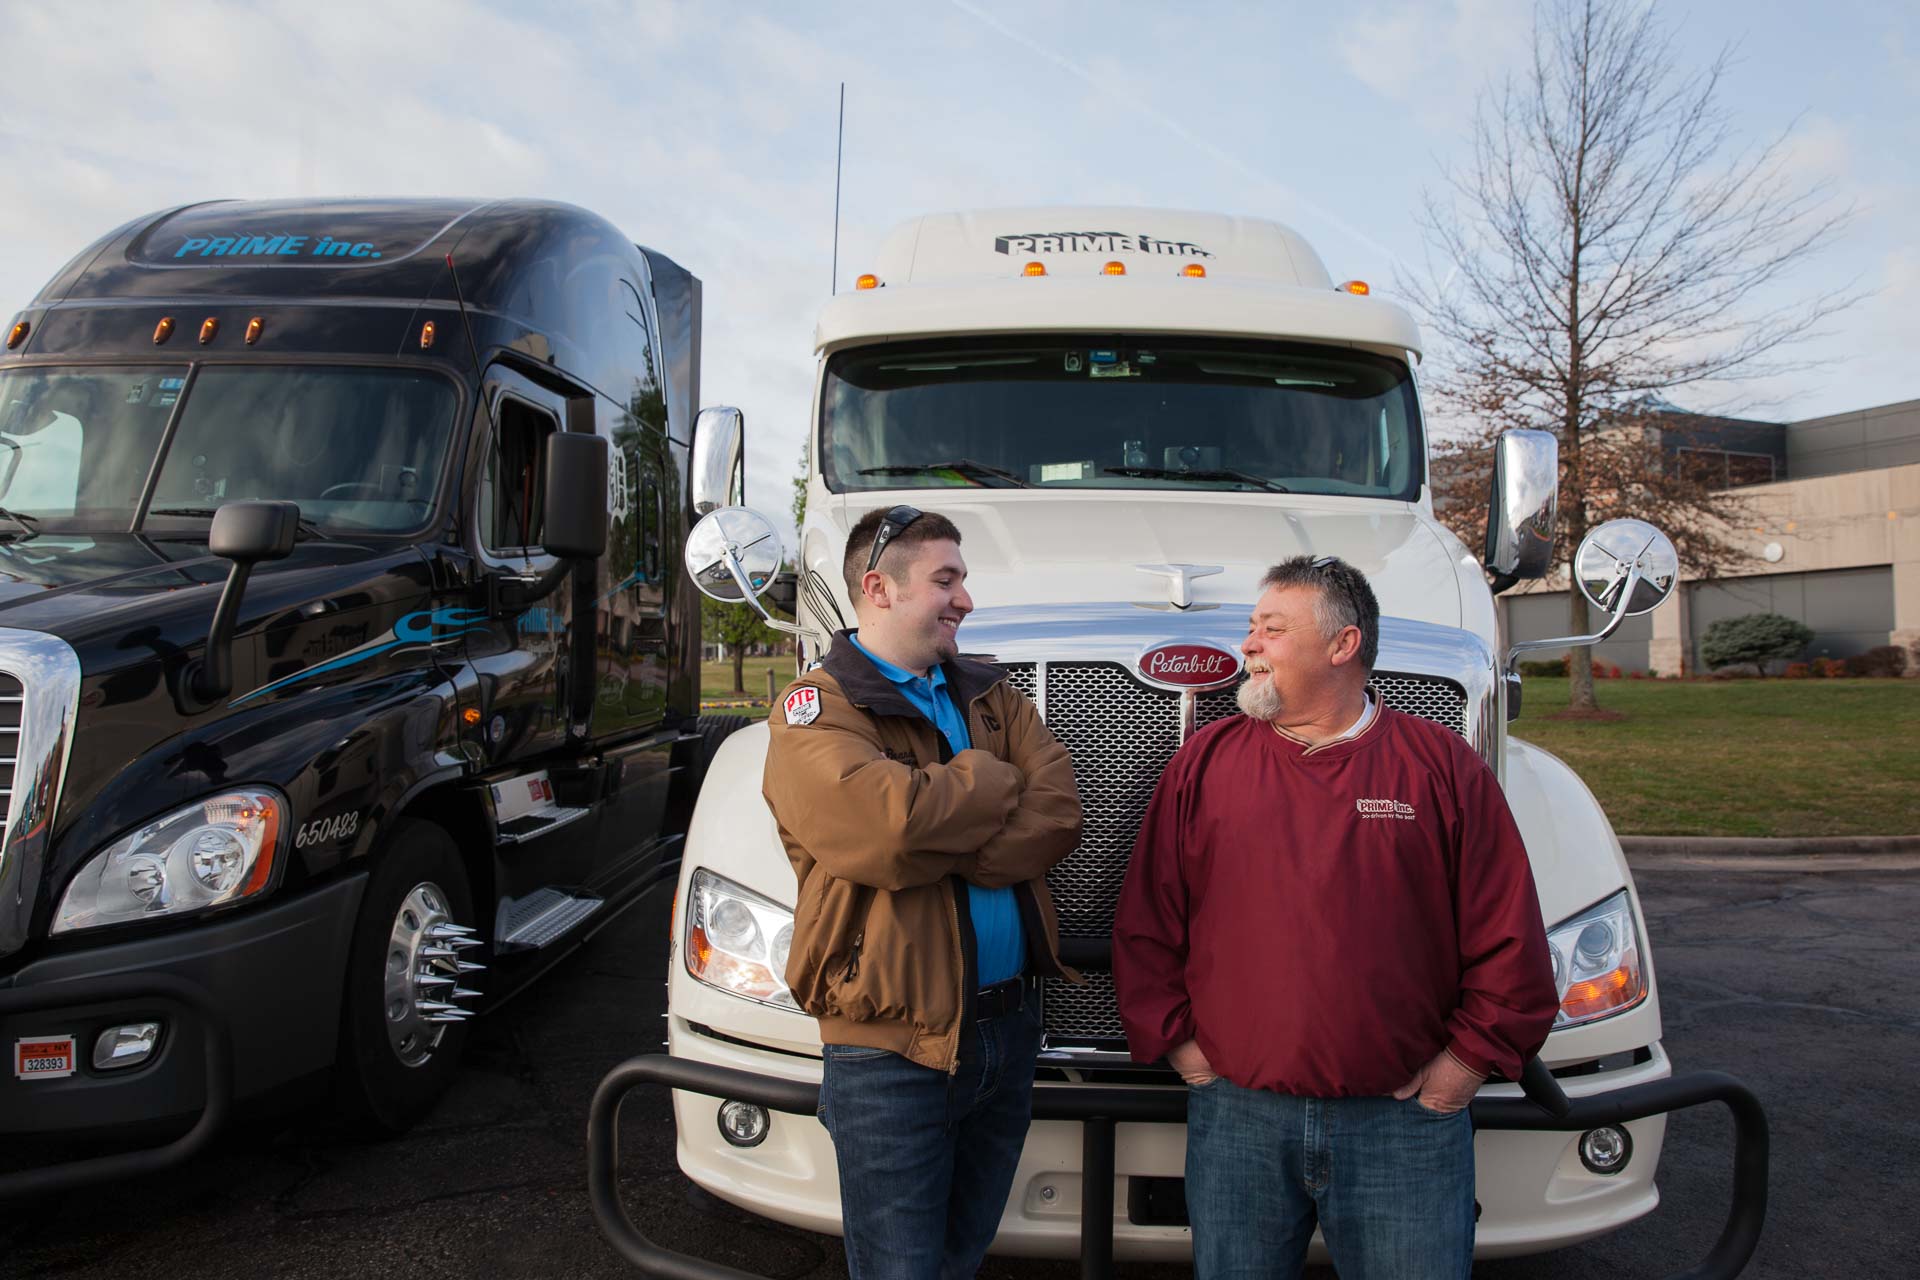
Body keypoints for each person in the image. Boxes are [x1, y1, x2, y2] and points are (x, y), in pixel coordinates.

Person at [1112, 555, 1559, 1280]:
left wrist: (1464, 1066)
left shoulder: (1438, 764)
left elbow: (1506, 927)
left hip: (1403, 1126)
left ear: (1342, 646)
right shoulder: (1206, 763)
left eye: (1272, 629)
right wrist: (1184, 1051)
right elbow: (1148, 919)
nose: (1248, 645)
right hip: (1239, 1121)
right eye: (1252, 628)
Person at [762, 504, 1083, 1280]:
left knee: (962, 1257)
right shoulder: (817, 706)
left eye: (963, 579)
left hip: (1007, 1036)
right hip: (891, 1051)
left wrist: (948, 830)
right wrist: (985, 775)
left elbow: (1059, 810)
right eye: (946, 579)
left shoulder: (990, 694)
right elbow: (892, 831)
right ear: (879, 587)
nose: (965, 598)